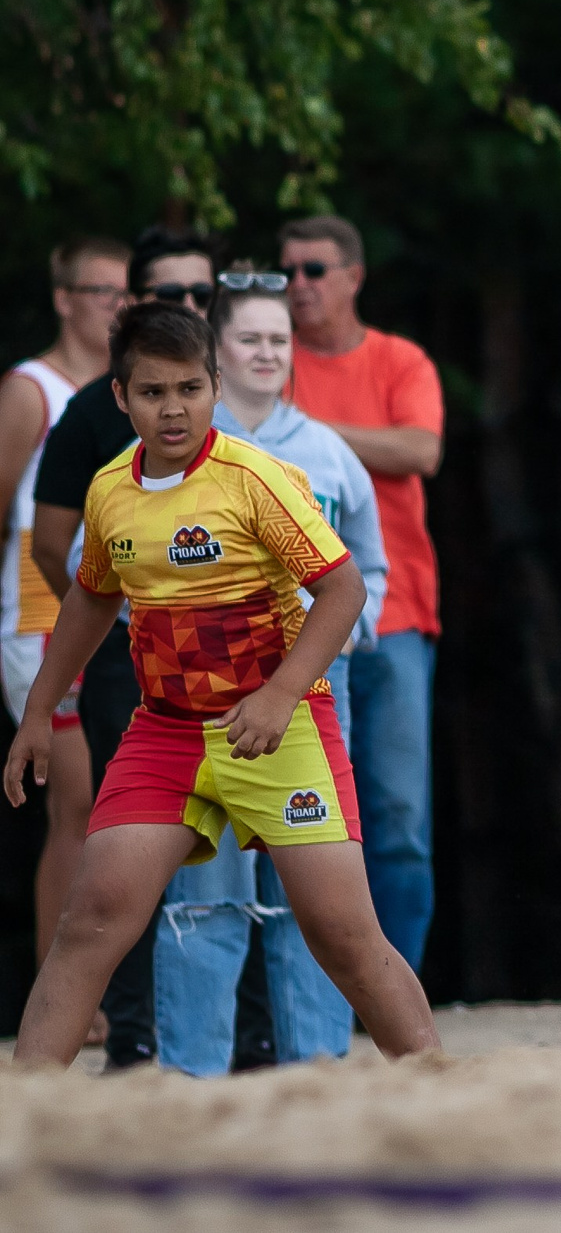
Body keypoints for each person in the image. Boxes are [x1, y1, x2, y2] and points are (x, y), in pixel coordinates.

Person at [4, 302, 437, 1066]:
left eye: (190, 389)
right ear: (120, 396)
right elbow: (93, 598)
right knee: (91, 917)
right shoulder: (109, 490)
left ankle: (443, 1088)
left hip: (280, 726)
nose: (173, 409)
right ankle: (25, 1111)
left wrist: (280, 694)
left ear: (214, 386)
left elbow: (343, 589)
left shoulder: (256, 477)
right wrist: (40, 707)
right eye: (152, 392)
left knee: (341, 932)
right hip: (166, 731)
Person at [152, 269, 391, 1075]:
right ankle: (191, 1079)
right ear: (214, 352)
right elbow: (106, 562)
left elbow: (370, 567)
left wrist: (352, 634)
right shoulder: (165, 452)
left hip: (315, 694)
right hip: (200, 699)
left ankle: (317, 1073)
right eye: (249, 337)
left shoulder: (329, 452)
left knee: (316, 895)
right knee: (204, 891)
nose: (267, 352)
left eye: (279, 339)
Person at [29, 224, 220, 1066]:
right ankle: (131, 1037)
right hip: (134, 673)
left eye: (204, 292)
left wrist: (286, 678)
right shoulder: (92, 431)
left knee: (288, 879)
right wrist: (120, 616)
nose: (190, 305)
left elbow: (340, 580)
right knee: (119, 859)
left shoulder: (251, 431)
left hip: (252, 681)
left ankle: (254, 1040)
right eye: (171, 293)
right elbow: (58, 552)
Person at [278, 214, 443, 974]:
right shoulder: (268, 359)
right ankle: (318, 994)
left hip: (395, 613)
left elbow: (421, 448)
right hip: (288, 624)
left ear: (354, 276)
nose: (298, 285)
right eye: (288, 271)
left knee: (398, 815)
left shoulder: (398, 359)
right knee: (302, 816)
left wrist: (304, 431)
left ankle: (395, 994)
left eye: (314, 270)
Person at [1, 236, 126, 977]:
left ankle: (96, 992)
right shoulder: (31, 390)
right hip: (42, 613)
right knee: (76, 799)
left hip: (116, 611)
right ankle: (65, 995)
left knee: (108, 800)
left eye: (126, 292)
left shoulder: (134, 390)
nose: (116, 305)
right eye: (101, 290)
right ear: (63, 298)